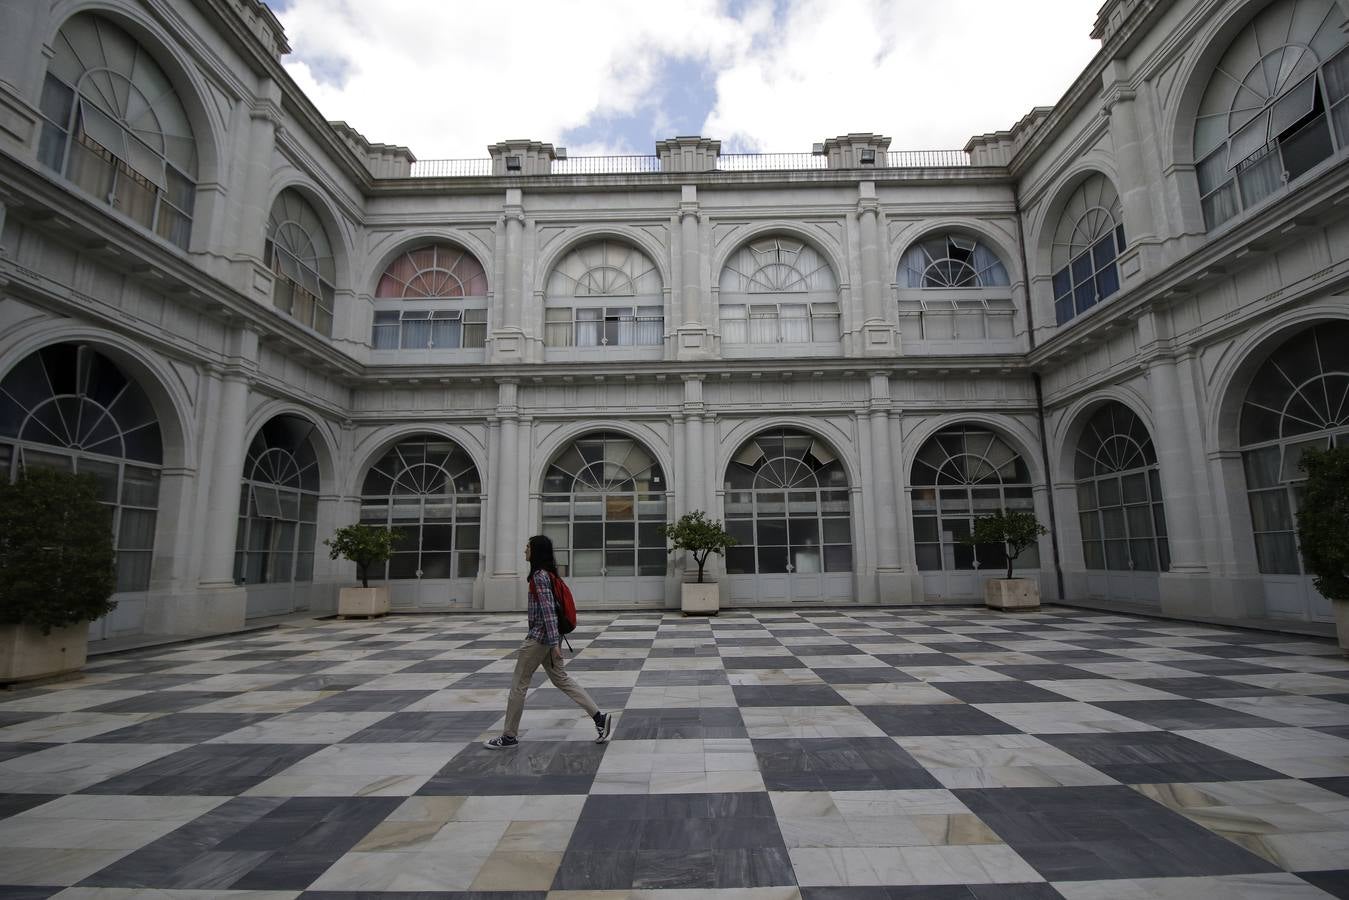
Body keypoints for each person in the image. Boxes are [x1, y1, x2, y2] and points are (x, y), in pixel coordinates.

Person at [485, 534, 615, 748]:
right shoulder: (549, 575)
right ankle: (599, 718)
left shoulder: (539, 576)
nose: (525, 550)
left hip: (539, 640)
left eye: (528, 547)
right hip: (549, 639)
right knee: (561, 679)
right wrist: (554, 642)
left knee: (519, 684)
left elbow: (548, 612)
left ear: (536, 551)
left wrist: (554, 644)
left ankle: (509, 736)